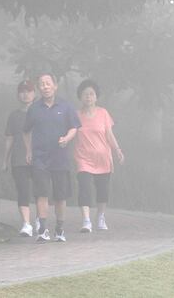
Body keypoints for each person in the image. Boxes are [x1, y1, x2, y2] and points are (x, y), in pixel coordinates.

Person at [23, 73, 80, 242]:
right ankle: (42, 229)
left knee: (60, 196)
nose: (45, 87)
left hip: (60, 157)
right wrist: (28, 151)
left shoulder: (66, 106)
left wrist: (67, 138)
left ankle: (60, 229)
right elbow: (25, 131)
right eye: (42, 84)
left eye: (48, 83)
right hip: (40, 158)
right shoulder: (34, 109)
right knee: (41, 193)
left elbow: (74, 128)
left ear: (55, 86)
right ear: (39, 88)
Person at [73, 79, 124, 233]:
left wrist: (117, 150)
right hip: (83, 158)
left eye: (91, 94)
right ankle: (86, 220)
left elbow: (109, 134)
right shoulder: (75, 115)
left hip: (103, 158)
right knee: (85, 188)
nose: (88, 97)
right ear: (80, 97)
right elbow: (70, 133)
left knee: (103, 191)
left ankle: (100, 217)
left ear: (96, 97)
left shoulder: (103, 113)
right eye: (85, 94)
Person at [2, 79, 37, 236]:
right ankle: (26, 223)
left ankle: (40, 219)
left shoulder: (40, 112)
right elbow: (9, 138)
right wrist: (5, 160)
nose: (25, 94)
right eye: (22, 91)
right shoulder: (14, 116)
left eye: (28, 91)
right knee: (23, 191)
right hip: (18, 158)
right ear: (18, 95)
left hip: (39, 158)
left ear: (34, 94)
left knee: (40, 191)